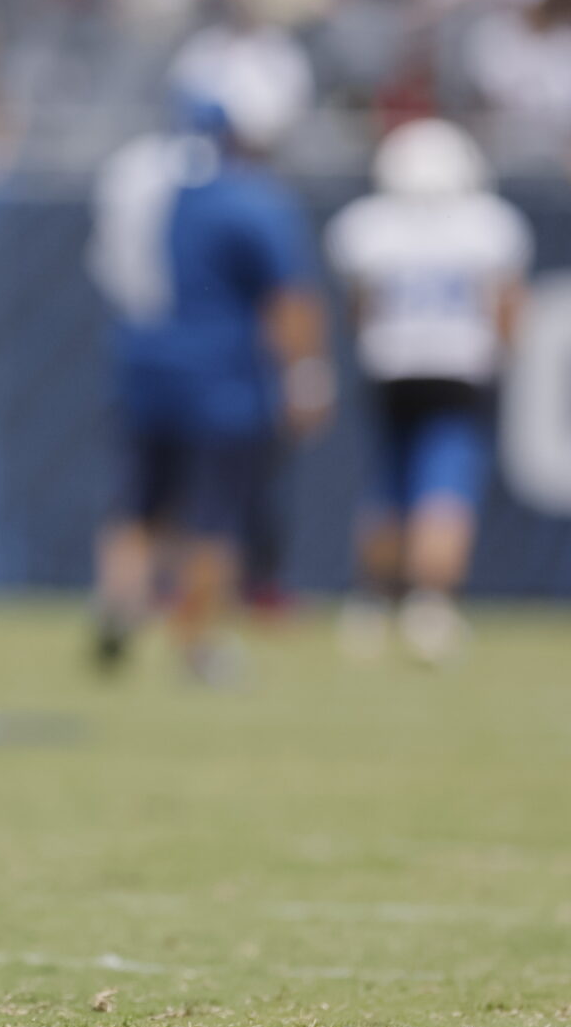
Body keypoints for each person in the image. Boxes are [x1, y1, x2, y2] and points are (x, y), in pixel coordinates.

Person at [88, 90, 333, 681]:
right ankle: (195, 643)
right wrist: (305, 375)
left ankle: (119, 603)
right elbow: (288, 299)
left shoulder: (134, 190)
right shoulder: (247, 200)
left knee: (140, 503)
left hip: (144, 363)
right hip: (221, 374)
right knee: (214, 516)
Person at [324, 119, 530, 665]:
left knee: (389, 487)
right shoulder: (489, 225)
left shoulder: (368, 226)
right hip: (459, 372)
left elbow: (361, 308)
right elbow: (506, 310)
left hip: (393, 370)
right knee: (445, 487)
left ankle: (370, 603)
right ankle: (429, 605)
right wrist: (503, 357)